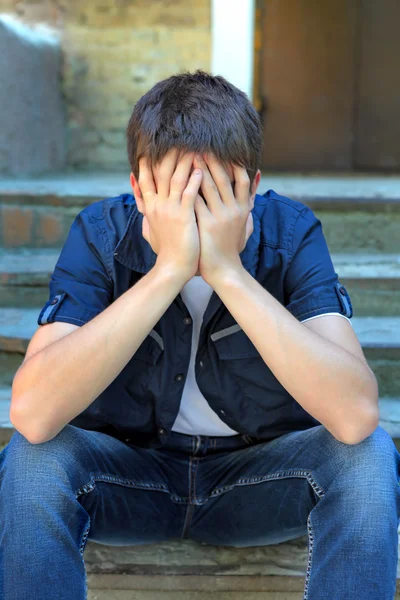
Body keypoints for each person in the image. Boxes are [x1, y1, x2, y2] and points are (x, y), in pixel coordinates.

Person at [0, 70, 399, 600]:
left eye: (215, 193)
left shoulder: (289, 231)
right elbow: (32, 413)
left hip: (256, 483)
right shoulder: (100, 235)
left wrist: (228, 271)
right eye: (174, 192)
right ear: (139, 189)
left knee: (368, 457)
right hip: (130, 482)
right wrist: (168, 270)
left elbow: (354, 416)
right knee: (32, 460)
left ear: (252, 188)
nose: (193, 210)